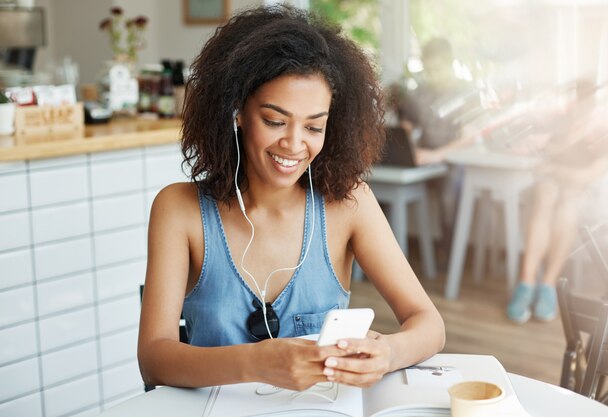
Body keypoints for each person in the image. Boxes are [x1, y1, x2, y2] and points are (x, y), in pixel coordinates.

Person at [138, 5, 445, 391]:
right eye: (274, 121)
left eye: (314, 126)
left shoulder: (349, 205)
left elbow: (429, 324)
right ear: (236, 111)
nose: (295, 144)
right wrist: (256, 363)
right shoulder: (178, 210)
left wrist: (389, 353)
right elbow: (153, 359)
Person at [506, 81, 608, 324]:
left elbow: (587, 175)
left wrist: (557, 168)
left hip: (580, 193)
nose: (579, 107)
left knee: (569, 203)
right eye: (577, 101)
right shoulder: (559, 130)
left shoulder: (607, 136)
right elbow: (539, 158)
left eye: (585, 101)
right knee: (545, 193)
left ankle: (547, 284)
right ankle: (526, 283)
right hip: (549, 188)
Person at [394, 38, 477, 250]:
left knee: (450, 190)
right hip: (427, 160)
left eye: (438, 69)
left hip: (458, 162)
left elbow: (469, 138)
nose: (433, 75)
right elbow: (406, 127)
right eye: (428, 70)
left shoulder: (468, 93)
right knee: (388, 181)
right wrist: (406, 147)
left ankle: (450, 253)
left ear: (451, 63)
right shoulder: (419, 93)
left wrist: (436, 155)